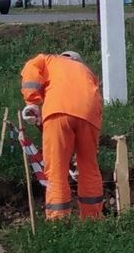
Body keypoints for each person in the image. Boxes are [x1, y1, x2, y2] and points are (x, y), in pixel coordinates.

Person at [19, 49, 104, 222]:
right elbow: (91, 103)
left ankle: (58, 221)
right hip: (90, 115)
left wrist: (33, 102)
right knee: (89, 168)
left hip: (57, 112)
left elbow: (31, 67)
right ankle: (92, 220)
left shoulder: (49, 60)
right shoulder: (87, 72)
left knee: (56, 171)